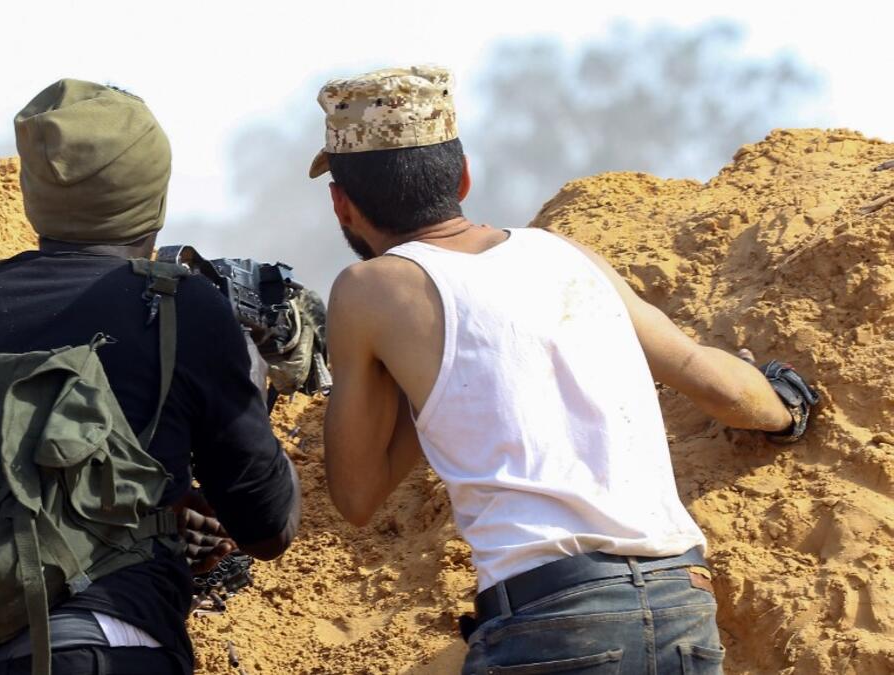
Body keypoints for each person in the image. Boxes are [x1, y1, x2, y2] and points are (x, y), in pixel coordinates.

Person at [310, 66, 819, 674]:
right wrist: (786, 408)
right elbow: (705, 377)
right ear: (464, 176)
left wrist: (418, 384)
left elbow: (357, 495)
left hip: (551, 623)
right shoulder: (564, 253)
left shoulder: (369, 290)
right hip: (681, 601)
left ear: (342, 203)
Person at [0, 79, 300, 675]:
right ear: (154, 193)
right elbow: (267, 526)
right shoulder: (182, 309)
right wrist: (249, 381)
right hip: (110, 644)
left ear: (34, 192)